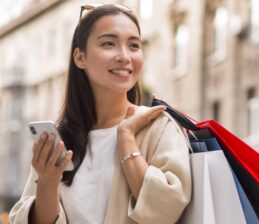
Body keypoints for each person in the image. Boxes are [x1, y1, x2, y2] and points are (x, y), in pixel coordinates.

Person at [9, 4, 191, 224]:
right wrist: (47, 183)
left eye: (134, 45)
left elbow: (166, 211)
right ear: (80, 57)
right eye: (108, 43)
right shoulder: (61, 140)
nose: (124, 56)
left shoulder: (158, 126)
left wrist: (127, 140)